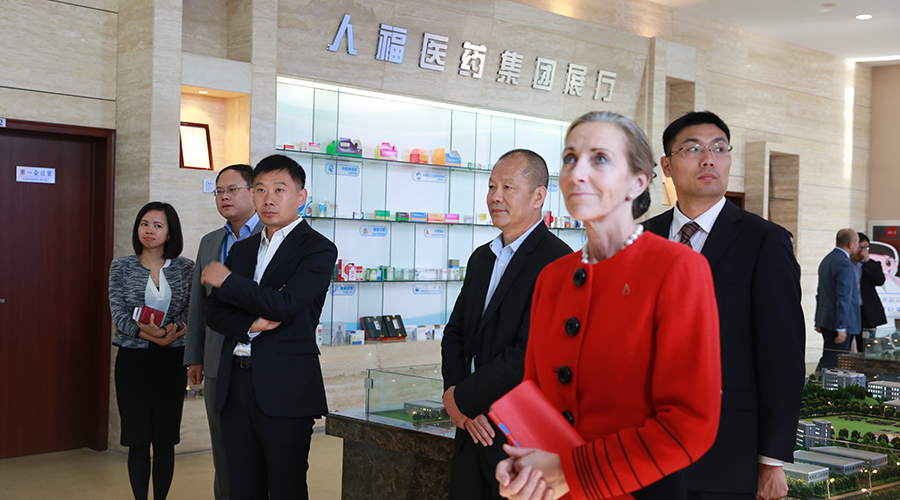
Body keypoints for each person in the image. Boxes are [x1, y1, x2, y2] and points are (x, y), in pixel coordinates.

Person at [496, 111, 721, 500]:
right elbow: (533, 397)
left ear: (637, 182)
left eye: (599, 158)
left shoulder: (678, 268)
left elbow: (690, 423)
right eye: (570, 158)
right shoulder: (552, 277)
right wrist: (524, 467)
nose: (576, 173)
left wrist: (569, 472)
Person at [643, 111, 805, 500]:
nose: (708, 160)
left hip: (727, 452)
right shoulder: (642, 239)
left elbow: (782, 355)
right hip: (644, 446)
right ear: (667, 165)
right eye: (692, 149)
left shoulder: (764, 241)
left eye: (719, 149)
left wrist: (771, 459)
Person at [202, 154, 337, 500]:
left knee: (286, 486)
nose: (268, 198)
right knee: (241, 486)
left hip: (286, 387)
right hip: (236, 385)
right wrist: (252, 322)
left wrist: (228, 281)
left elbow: (285, 304)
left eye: (279, 189)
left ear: (301, 197)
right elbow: (213, 312)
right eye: (260, 190)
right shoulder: (243, 249)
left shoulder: (318, 248)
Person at [442, 149, 571, 499]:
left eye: (508, 187)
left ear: (539, 196)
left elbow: (528, 352)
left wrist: (466, 399)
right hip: (470, 429)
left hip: (519, 436)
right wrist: (455, 396)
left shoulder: (558, 261)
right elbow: (455, 332)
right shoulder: (482, 258)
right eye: (491, 186)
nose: (495, 196)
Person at [184, 164, 263, 500]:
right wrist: (194, 356)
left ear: (253, 192)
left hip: (262, 360)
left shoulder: (273, 236)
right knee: (225, 452)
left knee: (263, 452)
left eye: (232, 189)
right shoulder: (210, 242)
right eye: (219, 191)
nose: (224, 197)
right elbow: (198, 305)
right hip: (218, 361)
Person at [108, 202, 194, 500]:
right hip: (133, 361)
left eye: (158, 225)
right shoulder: (121, 266)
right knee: (138, 439)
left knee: (165, 440)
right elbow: (118, 314)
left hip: (172, 361)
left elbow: (191, 311)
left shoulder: (186, 268)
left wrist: (173, 331)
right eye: (144, 224)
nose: (149, 230)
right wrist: (151, 335)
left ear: (170, 233)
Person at [815, 229, 861, 370]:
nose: (858, 246)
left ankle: (816, 380)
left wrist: (818, 320)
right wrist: (842, 327)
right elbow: (844, 297)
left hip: (826, 320)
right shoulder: (845, 264)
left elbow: (820, 293)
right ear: (851, 244)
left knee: (829, 358)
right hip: (838, 323)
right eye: (857, 243)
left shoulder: (827, 260)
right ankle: (817, 382)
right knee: (834, 363)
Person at [851, 233, 887, 353]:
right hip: (849, 310)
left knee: (866, 347)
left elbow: (880, 281)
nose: (863, 251)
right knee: (844, 346)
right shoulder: (845, 265)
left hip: (866, 312)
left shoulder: (873, 264)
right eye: (860, 247)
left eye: (866, 247)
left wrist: (866, 261)